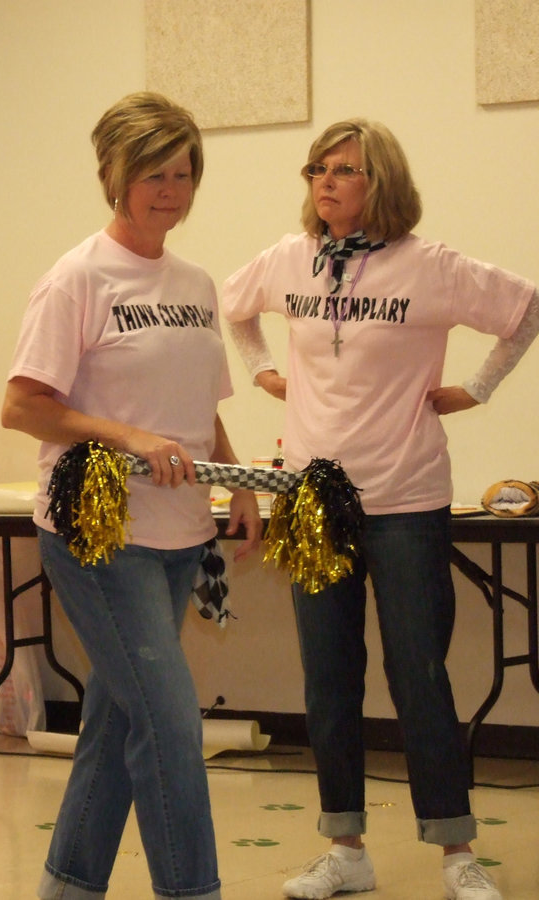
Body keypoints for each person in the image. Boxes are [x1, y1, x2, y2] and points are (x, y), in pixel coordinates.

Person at [221, 118, 538, 900]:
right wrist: (263, 372)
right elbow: (230, 306)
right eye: (317, 168)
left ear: (382, 182)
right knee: (329, 677)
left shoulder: (429, 267)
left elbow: (526, 309)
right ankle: (346, 849)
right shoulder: (291, 259)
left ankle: (458, 855)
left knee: (419, 674)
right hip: (312, 500)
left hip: (405, 496)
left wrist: (478, 388)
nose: (325, 182)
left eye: (345, 170)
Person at [2, 91, 262, 900]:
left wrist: (240, 481)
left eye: (183, 173)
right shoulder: (77, 278)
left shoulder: (194, 281)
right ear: (114, 175)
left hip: (182, 533)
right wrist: (125, 436)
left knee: (117, 722)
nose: (170, 190)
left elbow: (199, 411)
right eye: (153, 173)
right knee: (169, 723)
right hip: (97, 534)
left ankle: (68, 886)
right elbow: (22, 405)